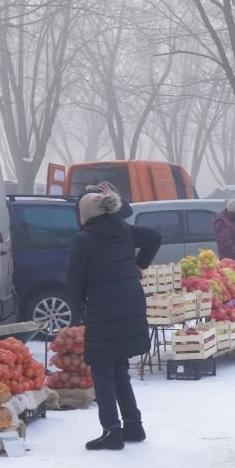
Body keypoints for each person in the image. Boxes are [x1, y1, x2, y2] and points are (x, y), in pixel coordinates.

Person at [66, 189, 163, 450]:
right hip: (131, 305)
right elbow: (154, 237)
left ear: (84, 214)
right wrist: (140, 264)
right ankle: (133, 425)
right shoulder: (124, 230)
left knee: (102, 371)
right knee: (119, 367)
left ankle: (112, 431)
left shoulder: (83, 240)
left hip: (104, 311)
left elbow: (73, 285)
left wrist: (82, 311)